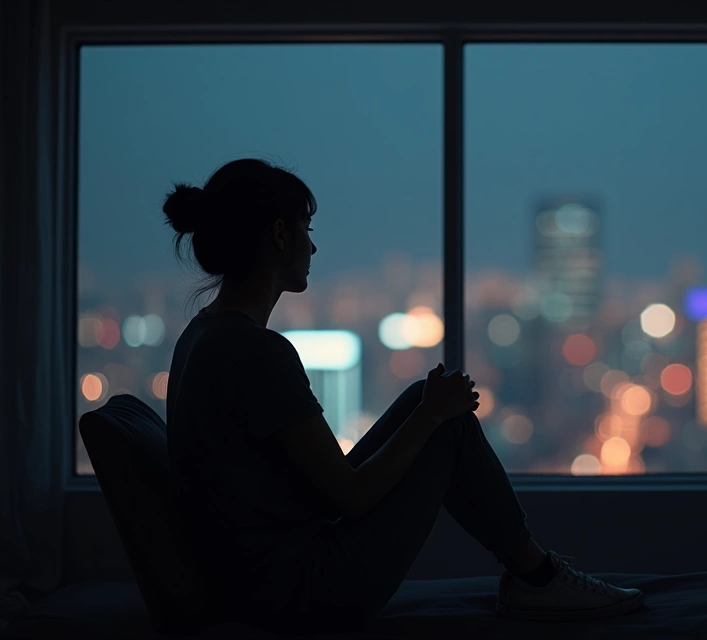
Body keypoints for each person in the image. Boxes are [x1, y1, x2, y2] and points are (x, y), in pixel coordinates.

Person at [161, 158, 643, 633]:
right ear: (280, 235)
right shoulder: (256, 352)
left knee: (421, 399)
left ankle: (534, 574)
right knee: (445, 424)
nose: (313, 245)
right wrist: (431, 417)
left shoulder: (202, 335)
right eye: (306, 229)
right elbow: (351, 498)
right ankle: (539, 577)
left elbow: (316, 492)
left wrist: (425, 410)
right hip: (296, 595)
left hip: (252, 583)